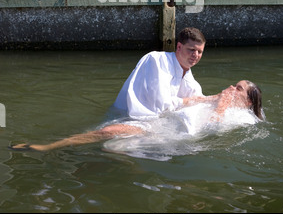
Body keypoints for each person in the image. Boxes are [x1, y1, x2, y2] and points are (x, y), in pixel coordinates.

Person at [10, 79, 263, 152]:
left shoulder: (243, 118)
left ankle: (48, 146)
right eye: (233, 85)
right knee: (112, 147)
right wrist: (216, 98)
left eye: (238, 88)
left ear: (249, 100)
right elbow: (188, 102)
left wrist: (221, 105)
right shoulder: (223, 102)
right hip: (163, 123)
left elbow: (213, 130)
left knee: (108, 134)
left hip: (170, 134)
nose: (232, 89)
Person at [114, 27, 207, 118]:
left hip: (153, 123)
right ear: (179, 47)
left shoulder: (193, 84)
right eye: (191, 50)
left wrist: (219, 101)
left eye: (200, 51)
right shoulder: (156, 60)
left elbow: (200, 103)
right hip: (126, 118)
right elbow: (160, 104)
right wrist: (193, 100)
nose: (196, 55)